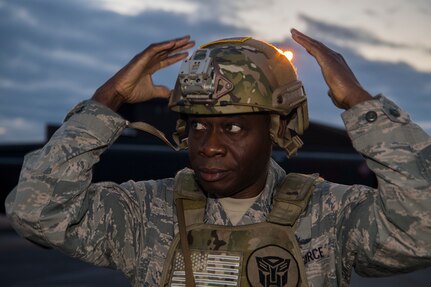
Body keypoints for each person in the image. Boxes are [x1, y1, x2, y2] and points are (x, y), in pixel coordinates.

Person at [5, 29, 431, 287]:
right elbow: (34, 210)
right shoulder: (145, 212)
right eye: (197, 125)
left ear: (276, 130)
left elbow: (422, 231)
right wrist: (107, 100)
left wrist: (360, 104)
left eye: (232, 126)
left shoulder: (331, 214)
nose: (208, 144)